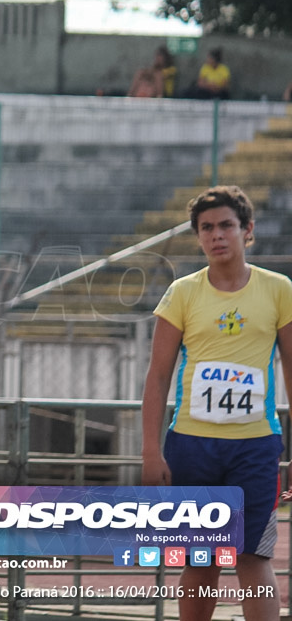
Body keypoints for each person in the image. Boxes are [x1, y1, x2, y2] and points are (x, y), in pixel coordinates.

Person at [141, 185, 292, 621]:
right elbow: (158, 376)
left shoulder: (279, 290)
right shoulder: (182, 293)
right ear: (198, 236)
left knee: (252, 558)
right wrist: (151, 452)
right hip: (191, 445)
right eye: (206, 228)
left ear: (247, 230)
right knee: (201, 560)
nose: (216, 235)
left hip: (256, 445)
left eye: (226, 225)